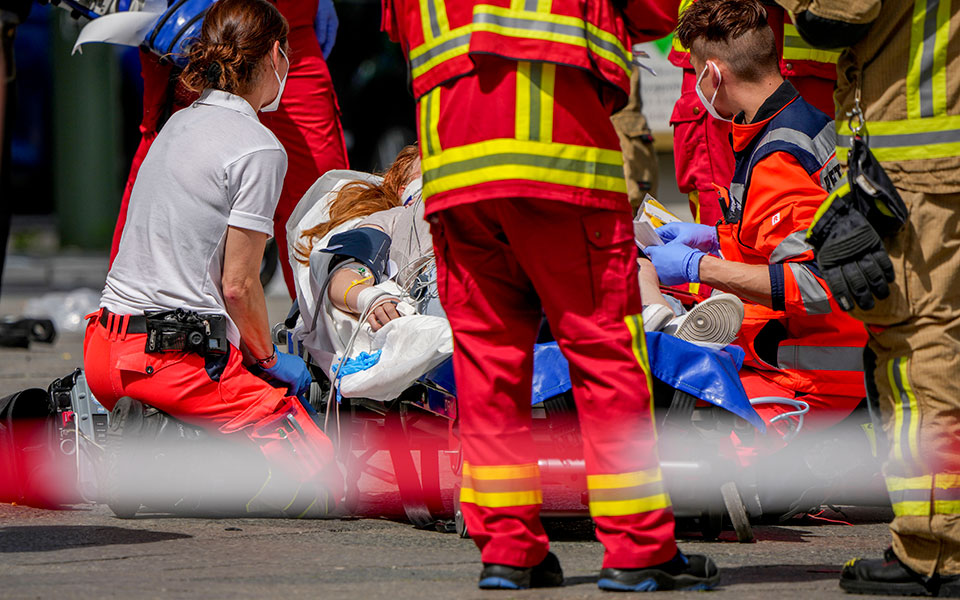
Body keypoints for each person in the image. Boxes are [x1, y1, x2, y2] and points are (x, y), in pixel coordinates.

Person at [382, 0, 720, 592]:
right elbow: (656, 12)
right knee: (605, 352)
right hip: (562, 162)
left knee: (487, 362)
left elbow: (397, 28)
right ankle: (639, 550)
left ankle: (509, 552)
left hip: (456, 170)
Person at [83, 0, 341, 517]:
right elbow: (240, 287)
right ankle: (171, 452)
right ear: (276, 56)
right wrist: (269, 360)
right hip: (169, 359)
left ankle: (163, 438)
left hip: (103, 352)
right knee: (324, 477)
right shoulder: (259, 148)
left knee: (230, 393)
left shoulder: (175, 125)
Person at [773, 0, 960, 595]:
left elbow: (835, 15)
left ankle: (935, 550)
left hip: (924, 171)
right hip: (933, 159)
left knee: (919, 353)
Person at [644, 0, 866, 463]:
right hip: (811, 358)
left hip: (803, 381)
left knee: (676, 461)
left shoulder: (776, 157)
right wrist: (712, 238)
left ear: (714, 76)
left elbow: (816, 283)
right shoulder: (797, 125)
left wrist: (697, 266)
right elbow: (779, 240)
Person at [109, 0, 350, 301]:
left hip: (289, 17)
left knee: (323, 200)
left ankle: (334, 336)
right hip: (194, 17)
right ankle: (134, 317)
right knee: (171, 166)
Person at [668, 0, 837, 232]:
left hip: (811, 73)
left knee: (823, 225)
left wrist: (700, 266)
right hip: (717, 51)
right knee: (727, 219)